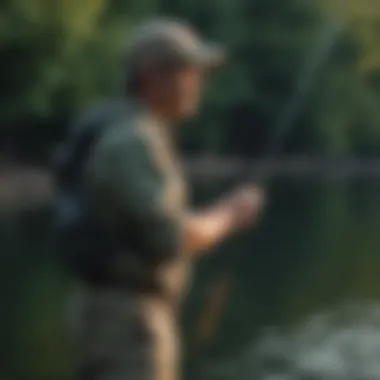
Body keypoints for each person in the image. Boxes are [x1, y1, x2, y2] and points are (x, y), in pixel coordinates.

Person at [68, 18, 266, 380]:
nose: (198, 82)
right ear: (151, 74)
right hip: (129, 325)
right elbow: (172, 238)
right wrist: (232, 214)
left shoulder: (127, 131)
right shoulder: (134, 141)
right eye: (190, 71)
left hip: (114, 316)